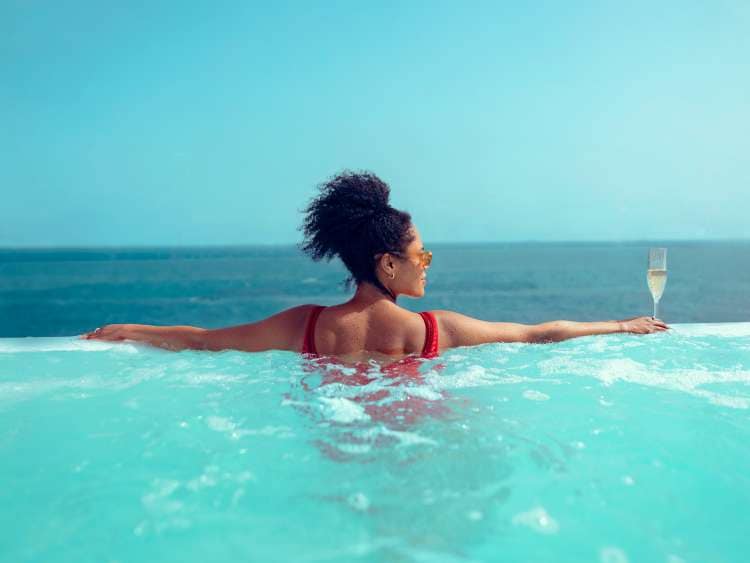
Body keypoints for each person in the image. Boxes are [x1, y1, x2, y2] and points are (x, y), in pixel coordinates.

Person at [82, 171, 669, 358]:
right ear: (388, 264)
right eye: (422, 256)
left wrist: (135, 329)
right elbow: (538, 334)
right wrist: (623, 325)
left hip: (338, 449)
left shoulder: (305, 326)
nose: (428, 266)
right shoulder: (431, 331)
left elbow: (209, 341)